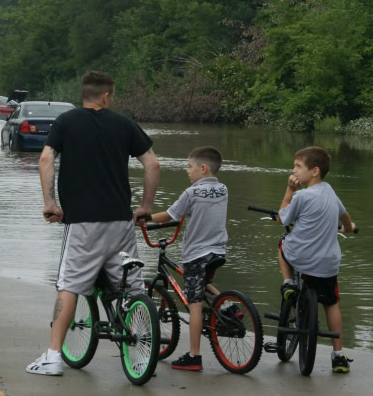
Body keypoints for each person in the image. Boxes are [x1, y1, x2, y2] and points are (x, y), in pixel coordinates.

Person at [26, 70, 161, 377]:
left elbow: (46, 159)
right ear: (106, 96)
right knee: (131, 285)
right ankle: (140, 352)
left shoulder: (66, 122)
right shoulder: (124, 124)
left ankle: (52, 357)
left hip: (83, 223)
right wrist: (145, 206)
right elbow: (152, 163)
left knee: (69, 285)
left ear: (83, 95)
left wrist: (50, 203)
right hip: (121, 222)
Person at [142, 146, 228, 371]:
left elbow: (170, 215)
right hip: (218, 251)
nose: (187, 171)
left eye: (189, 167)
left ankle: (194, 356)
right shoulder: (223, 189)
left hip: (197, 254)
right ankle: (227, 306)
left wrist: (143, 218)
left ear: (202, 168)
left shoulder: (191, 193)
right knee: (204, 283)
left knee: (195, 303)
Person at [277, 146, 357, 374]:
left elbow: (282, 217)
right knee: (331, 303)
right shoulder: (330, 191)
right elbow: (345, 215)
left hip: (302, 259)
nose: (293, 170)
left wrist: (289, 190)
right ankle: (339, 356)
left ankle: (288, 283)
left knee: (283, 243)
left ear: (314, 171)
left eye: (297, 166)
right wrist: (348, 229)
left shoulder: (301, 196)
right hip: (328, 264)